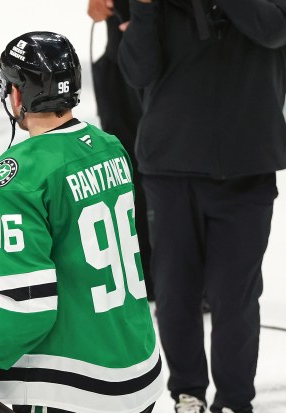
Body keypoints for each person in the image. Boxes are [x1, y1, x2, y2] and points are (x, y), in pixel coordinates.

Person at [0, 31, 164, 413]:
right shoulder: (109, 147)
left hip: (73, 386)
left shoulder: (11, 179)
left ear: (17, 95)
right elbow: (73, 226)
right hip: (139, 369)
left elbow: (23, 307)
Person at [117, 1, 286, 412]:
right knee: (175, 293)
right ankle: (188, 391)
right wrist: (141, 12)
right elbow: (136, 71)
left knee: (236, 297)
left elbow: (272, 30)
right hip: (170, 169)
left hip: (248, 169)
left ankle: (233, 400)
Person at [86, 0, 154, 301]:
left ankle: (188, 273)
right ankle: (146, 270)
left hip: (170, 63)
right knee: (124, 170)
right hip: (121, 64)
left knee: (173, 172)